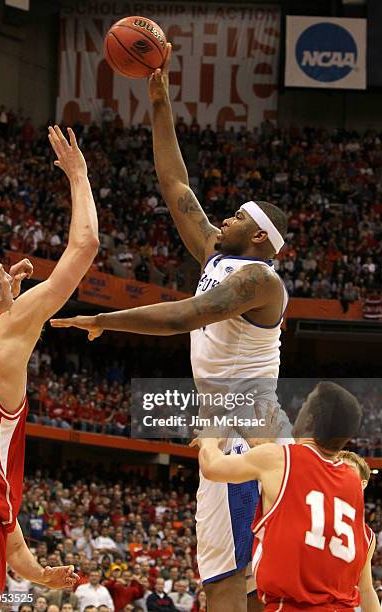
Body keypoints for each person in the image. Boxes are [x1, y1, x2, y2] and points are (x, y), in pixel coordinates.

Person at [51, 45, 289, 612]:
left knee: (224, 578)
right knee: (246, 576)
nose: (223, 217)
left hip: (241, 423)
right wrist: (159, 98)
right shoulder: (218, 255)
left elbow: (187, 314)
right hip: (230, 421)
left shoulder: (261, 282)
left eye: (236, 216)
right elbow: (175, 185)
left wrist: (104, 318)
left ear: (258, 237)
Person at [0, 125, 99, 600]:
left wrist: (41, 579)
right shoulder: (5, 330)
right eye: (5, 277)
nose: (15, 275)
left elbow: (13, 548)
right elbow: (84, 247)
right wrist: (79, 175)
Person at [192, 382, 380, 611]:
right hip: (340, 606)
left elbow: (212, 467)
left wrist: (209, 439)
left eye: (304, 406)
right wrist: (265, 444)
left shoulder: (281, 460)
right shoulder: (351, 482)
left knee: (226, 585)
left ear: (309, 421)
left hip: (293, 606)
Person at [338, 450, 379, 611]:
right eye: (335, 468)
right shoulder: (308, 511)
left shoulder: (367, 536)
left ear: (362, 484)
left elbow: (366, 590)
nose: (339, 475)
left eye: (347, 471)